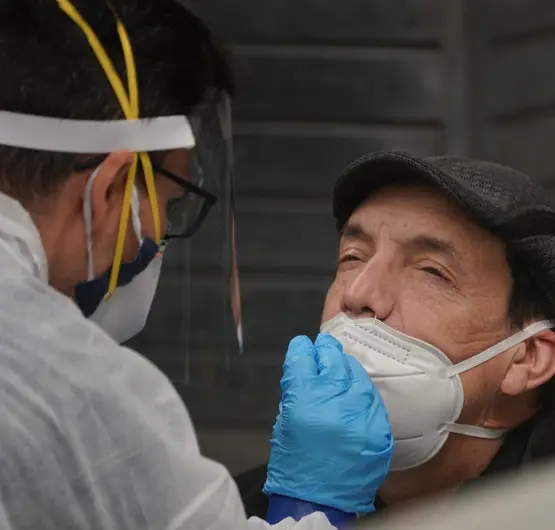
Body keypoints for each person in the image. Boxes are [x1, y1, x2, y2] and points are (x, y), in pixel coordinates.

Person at [0, 0, 392, 528]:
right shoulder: (62, 387)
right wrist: (313, 507)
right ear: (111, 186)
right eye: (171, 203)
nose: (363, 294)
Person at [236, 151, 555, 516]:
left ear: (528, 358)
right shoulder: (236, 512)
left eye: (431, 271)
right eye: (353, 257)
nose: (358, 294)